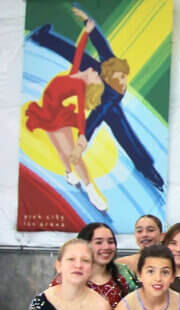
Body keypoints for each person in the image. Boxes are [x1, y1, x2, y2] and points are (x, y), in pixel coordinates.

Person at [28, 8, 165, 191]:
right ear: (106, 74)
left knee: (122, 131)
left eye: (124, 77)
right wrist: (88, 23)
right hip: (98, 82)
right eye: (119, 78)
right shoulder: (102, 68)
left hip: (103, 97)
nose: (125, 83)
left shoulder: (110, 95)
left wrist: (80, 141)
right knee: (78, 56)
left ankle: (146, 168)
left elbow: (94, 119)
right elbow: (100, 44)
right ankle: (43, 38)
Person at [24, 19, 108, 210]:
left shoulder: (79, 85)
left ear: (92, 82)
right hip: (46, 112)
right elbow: (78, 51)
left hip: (58, 116)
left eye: (96, 76)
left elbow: (79, 111)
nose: (95, 72)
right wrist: (86, 32)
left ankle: (91, 191)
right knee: (61, 151)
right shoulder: (74, 72)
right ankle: (69, 174)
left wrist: (81, 134)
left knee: (73, 155)